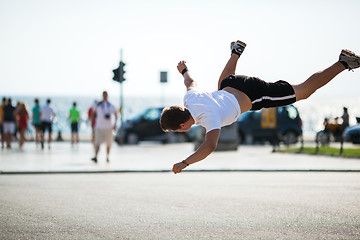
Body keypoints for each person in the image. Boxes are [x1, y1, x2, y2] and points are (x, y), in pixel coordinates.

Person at [160, 40, 360, 174]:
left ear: (182, 125)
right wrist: (184, 70)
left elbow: (210, 145)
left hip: (255, 94)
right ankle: (235, 53)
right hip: (234, 83)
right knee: (222, 84)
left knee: (304, 91)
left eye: (177, 129)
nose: (179, 132)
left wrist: (185, 163)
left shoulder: (208, 117)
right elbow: (190, 81)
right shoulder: (190, 99)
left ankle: (343, 62)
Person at [91, 91, 117, 163]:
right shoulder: (98, 105)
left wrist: (115, 124)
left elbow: (115, 113)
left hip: (108, 127)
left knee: (109, 143)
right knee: (97, 142)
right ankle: (96, 156)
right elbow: (93, 114)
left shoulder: (110, 105)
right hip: (99, 126)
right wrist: (92, 123)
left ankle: (107, 157)